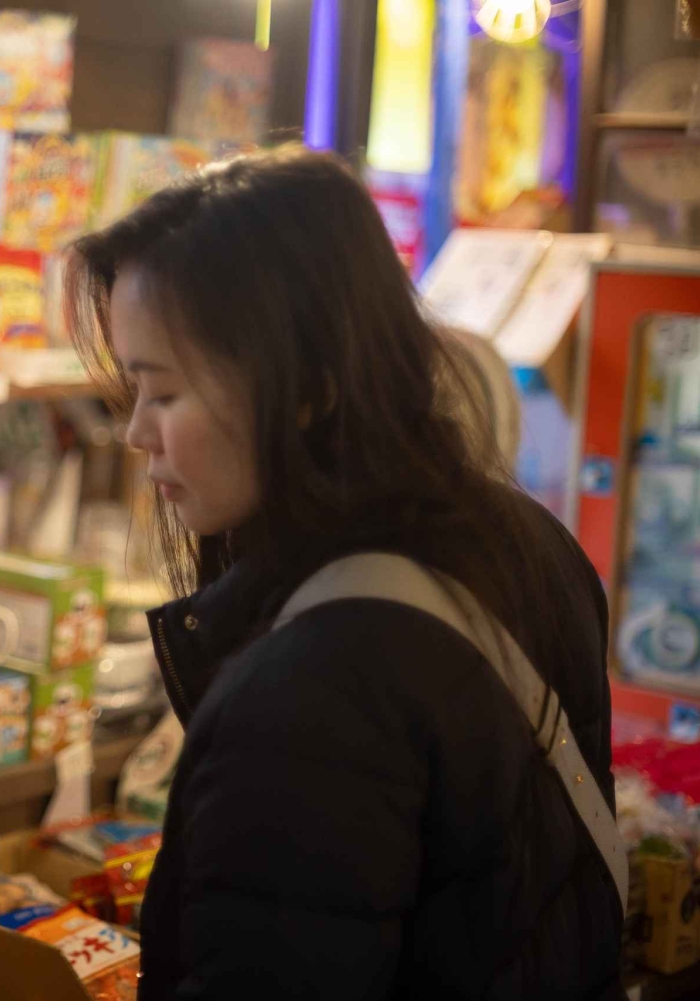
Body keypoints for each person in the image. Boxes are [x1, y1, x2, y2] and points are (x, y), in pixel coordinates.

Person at [66, 147, 622, 999]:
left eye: (163, 392)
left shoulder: (311, 688)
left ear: (309, 389)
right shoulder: (528, 539)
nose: (137, 432)